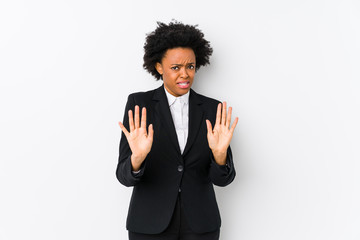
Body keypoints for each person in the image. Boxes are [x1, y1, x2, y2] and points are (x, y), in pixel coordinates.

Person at [116, 21, 238, 240]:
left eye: (190, 66)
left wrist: (220, 157)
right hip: (149, 224)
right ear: (159, 67)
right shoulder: (139, 105)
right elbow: (124, 177)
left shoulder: (213, 109)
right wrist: (137, 159)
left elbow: (223, 180)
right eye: (176, 68)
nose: (185, 74)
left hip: (201, 225)